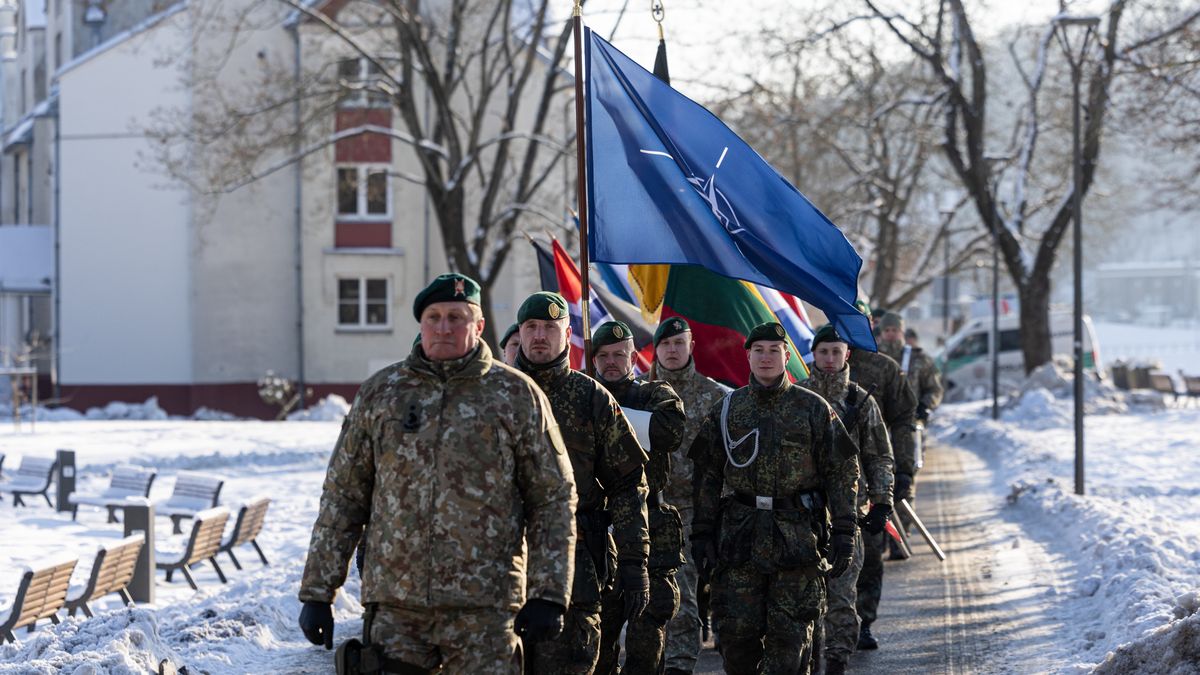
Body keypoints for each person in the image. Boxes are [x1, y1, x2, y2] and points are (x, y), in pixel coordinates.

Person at [297, 273, 577, 673]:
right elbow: (344, 495)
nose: (444, 327)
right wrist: (318, 593)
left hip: (485, 609)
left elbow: (553, 497)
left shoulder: (516, 395)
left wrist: (549, 592)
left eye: (456, 317)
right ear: (421, 325)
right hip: (397, 609)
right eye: (434, 317)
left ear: (478, 326)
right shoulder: (383, 392)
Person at [688, 321, 860, 675]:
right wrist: (702, 531)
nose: (766, 358)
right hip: (740, 539)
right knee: (736, 640)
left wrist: (844, 531)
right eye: (759, 351)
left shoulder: (813, 408)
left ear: (787, 356)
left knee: (790, 644)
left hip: (795, 539)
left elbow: (842, 472)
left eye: (774, 351)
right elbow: (706, 475)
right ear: (747, 355)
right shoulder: (726, 409)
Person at [514, 292, 652, 674]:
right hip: (502, 563)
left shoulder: (592, 398)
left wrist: (634, 560)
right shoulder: (497, 393)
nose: (540, 336)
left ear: (567, 332)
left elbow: (627, 485)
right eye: (531, 328)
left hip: (576, 567)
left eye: (549, 328)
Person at [591, 321, 687, 674]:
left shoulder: (655, 394)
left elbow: (669, 431)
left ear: (633, 357)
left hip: (651, 528)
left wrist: (605, 413)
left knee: (647, 639)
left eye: (619, 355)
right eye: (603, 356)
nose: (612, 362)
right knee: (598, 641)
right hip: (599, 528)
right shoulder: (582, 394)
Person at [801, 325, 895, 675]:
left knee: (841, 597)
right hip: (801, 516)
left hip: (846, 515)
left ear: (847, 355)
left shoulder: (859, 402)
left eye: (835, 352)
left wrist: (882, 500)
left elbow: (879, 456)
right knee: (802, 600)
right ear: (814, 354)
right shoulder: (796, 396)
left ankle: (837, 661)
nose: (828, 359)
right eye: (823, 352)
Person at [649, 318, 730, 675]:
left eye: (678, 343)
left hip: (696, 512)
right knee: (655, 597)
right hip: (648, 510)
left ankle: (681, 663)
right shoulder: (639, 394)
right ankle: (664, 660)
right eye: (665, 344)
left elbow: (728, 458)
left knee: (688, 591)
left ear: (691, 347)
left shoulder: (714, 396)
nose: (671, 350)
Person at [848, 307, 918, 651]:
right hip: (818, 484)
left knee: (871, 556)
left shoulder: (883, 369)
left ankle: (864, 621)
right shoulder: (812, 360)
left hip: (870, 479)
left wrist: (904, 471)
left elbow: (905, 420)